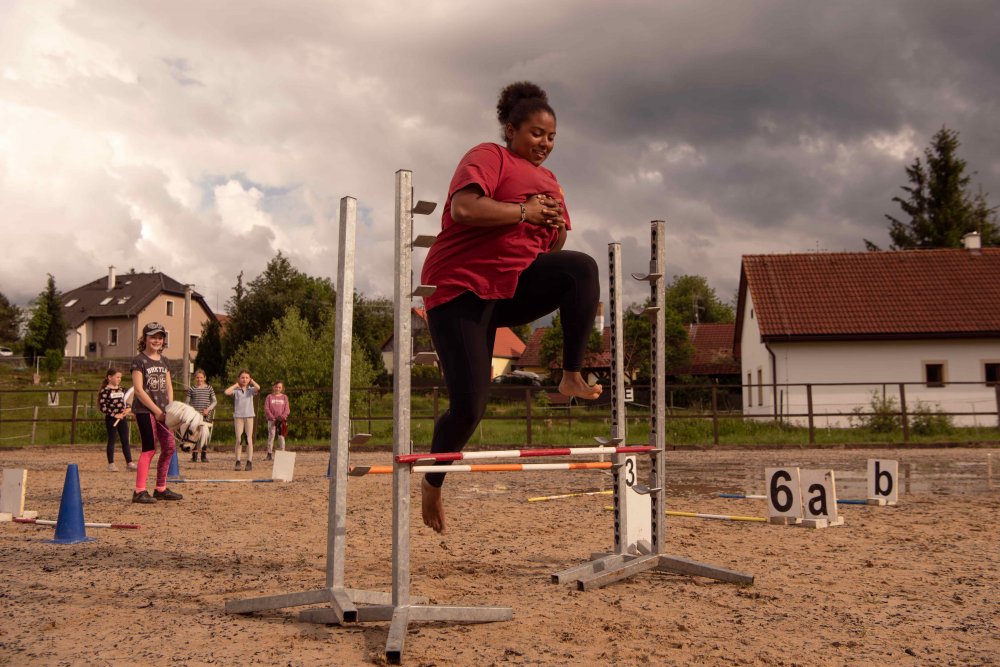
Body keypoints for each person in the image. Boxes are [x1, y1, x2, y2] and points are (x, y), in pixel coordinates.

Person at [418, 81, 603, 533]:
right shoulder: (489, 156)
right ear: (511, 129)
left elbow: (549, 243)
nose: (545, 143)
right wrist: (523, 212)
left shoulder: (552, 183)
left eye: (552, 137)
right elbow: (464, 208)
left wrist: (554, 225)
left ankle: (571, 374)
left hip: (509, 288)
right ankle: (433, 481)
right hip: (460, 289)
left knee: (579, 267)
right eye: (537, 133)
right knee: (469, 407)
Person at [129, 322, 183, 503]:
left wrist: (170, 408)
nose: (157, 340)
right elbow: (138, 390)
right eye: (153, 337)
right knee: (149, 449)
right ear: (145, 338)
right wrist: (156, 411)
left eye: (160, 337)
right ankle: (139, 491)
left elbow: (168, 386)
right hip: (145, 410)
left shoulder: (164, 361)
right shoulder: (139, 361)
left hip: (163, 411)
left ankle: (160, 488)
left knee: (169, 447)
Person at [97, 368, 135, 472]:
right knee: (112, 440)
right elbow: (103, 407)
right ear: (109, 377)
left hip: (122, 419)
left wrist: (128, 408)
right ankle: (111, 464)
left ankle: (129, 463)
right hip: (111, 419)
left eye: (120, 377)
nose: (119, 379)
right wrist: (115, 415)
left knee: (125, 440)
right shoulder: (105, 391)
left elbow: (127, 401)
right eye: (117, 377)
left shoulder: (122, 390)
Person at [225, 370, 260, 471]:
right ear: (239, 379)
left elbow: (259, 388)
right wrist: (236, 385)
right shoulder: (236, 391)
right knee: (239, 439)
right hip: (238, 417)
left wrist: (252, 381)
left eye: (246, 378)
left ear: (249, 379)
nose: (244, 379)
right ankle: (238, 461)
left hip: (249, 416)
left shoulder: (251, 390)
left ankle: (249, 461)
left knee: (249, 439)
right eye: (242, 377)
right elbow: (226, 392)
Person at [186, 369, 217, 463]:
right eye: (197, 377)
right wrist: (190, 411)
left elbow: (214, 401)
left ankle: (204, 455)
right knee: (195, 434)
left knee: (204, 434)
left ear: (204, 378)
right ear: (195, 378)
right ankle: (194, 455)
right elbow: (187, 402)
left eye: (201, 377)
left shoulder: (209, 388)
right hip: (195, 415)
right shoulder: (192, 389)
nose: (199, 379)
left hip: (205, 415)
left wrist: (208, 409)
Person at [264, 380, 290, 461]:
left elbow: (287, 409)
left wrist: (282, 417)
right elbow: (266, 408)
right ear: (273, 387)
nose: (277, 388)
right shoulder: (269, 397)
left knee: (281, 437)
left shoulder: (284, 397)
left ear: (282, 388)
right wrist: (273, 418)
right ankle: (269, 453)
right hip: (272, 420)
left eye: (279, 387)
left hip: (281, 421)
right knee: (271, 436)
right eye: (276, 387)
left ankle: (282, 453)